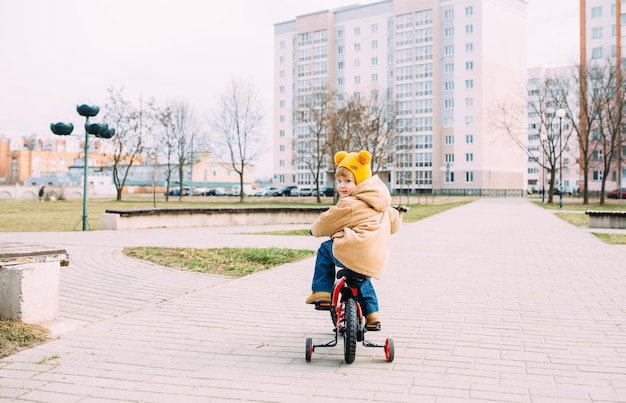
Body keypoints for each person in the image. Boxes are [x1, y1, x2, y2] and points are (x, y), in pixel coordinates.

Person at [306, 150, 401, 331]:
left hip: (352, 251)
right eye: (339, 181)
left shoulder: (349, 204)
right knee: (361, 279)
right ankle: (372, 315)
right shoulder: (384, 205)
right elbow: (395, 226)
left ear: (361, 182)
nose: (342, 186)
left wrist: (314, 230)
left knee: (325, 249)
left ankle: (322, 293)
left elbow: (327, 221)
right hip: (373, 258)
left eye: (348, 181)